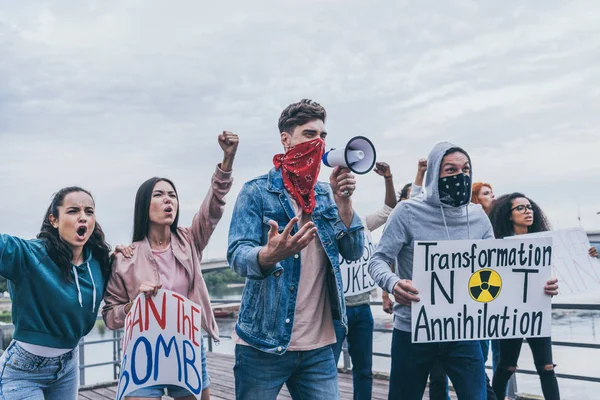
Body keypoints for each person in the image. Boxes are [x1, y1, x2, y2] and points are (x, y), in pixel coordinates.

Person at [368, 142, 558, 400]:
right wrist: (393, 284)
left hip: (463, 332)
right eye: (450, 170)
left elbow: (500, 268)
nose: (460, 176)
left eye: (466, 169)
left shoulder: (478, 217)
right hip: (413, 329)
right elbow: (378, 259)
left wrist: (538, 287)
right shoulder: (407, 212)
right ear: (435, 173)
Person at [227, 99, 364, 400]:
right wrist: (268, 255)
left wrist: (345, 203)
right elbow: (237, 254)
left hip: (318, 348)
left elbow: (354, 251)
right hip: (262, 344)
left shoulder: (326, 197)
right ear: (286, 139)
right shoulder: (256, 192)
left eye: (323, 136)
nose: (319, 142)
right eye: (309, 134)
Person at [102, 132, 238, 400]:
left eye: (173, 195)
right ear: (144, 205)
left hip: (187, 347)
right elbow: (110, 316)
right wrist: (135, 305)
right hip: (142, 353)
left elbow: (212, 209)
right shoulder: (125, 258)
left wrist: (227, 160)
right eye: (160, 195)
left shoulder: (190, 240)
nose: (169, 200)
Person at [0, 187, 111, 399]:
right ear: (54, 220)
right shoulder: (31, 255)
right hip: (23, 372)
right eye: (72, 211)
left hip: (67, 367)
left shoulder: (99, 262)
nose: (83, 217)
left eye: (89, 211)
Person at [488, 192, 596, 400]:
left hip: (538, 309)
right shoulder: (498, 245)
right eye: (520, 208)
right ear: (508, 215)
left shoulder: (547, 243)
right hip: (511, 312)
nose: (528, 211)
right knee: (507, 367)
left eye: (529, 207)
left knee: (547, 367)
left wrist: (589, 255)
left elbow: (566, 267)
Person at [332, 161, 397, 400]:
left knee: (364, 369)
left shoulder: (363, 225)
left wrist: (388, 179)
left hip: (362, 309)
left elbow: (390, 208)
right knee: (327, 369)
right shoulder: (326, 228)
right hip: (334, 311)